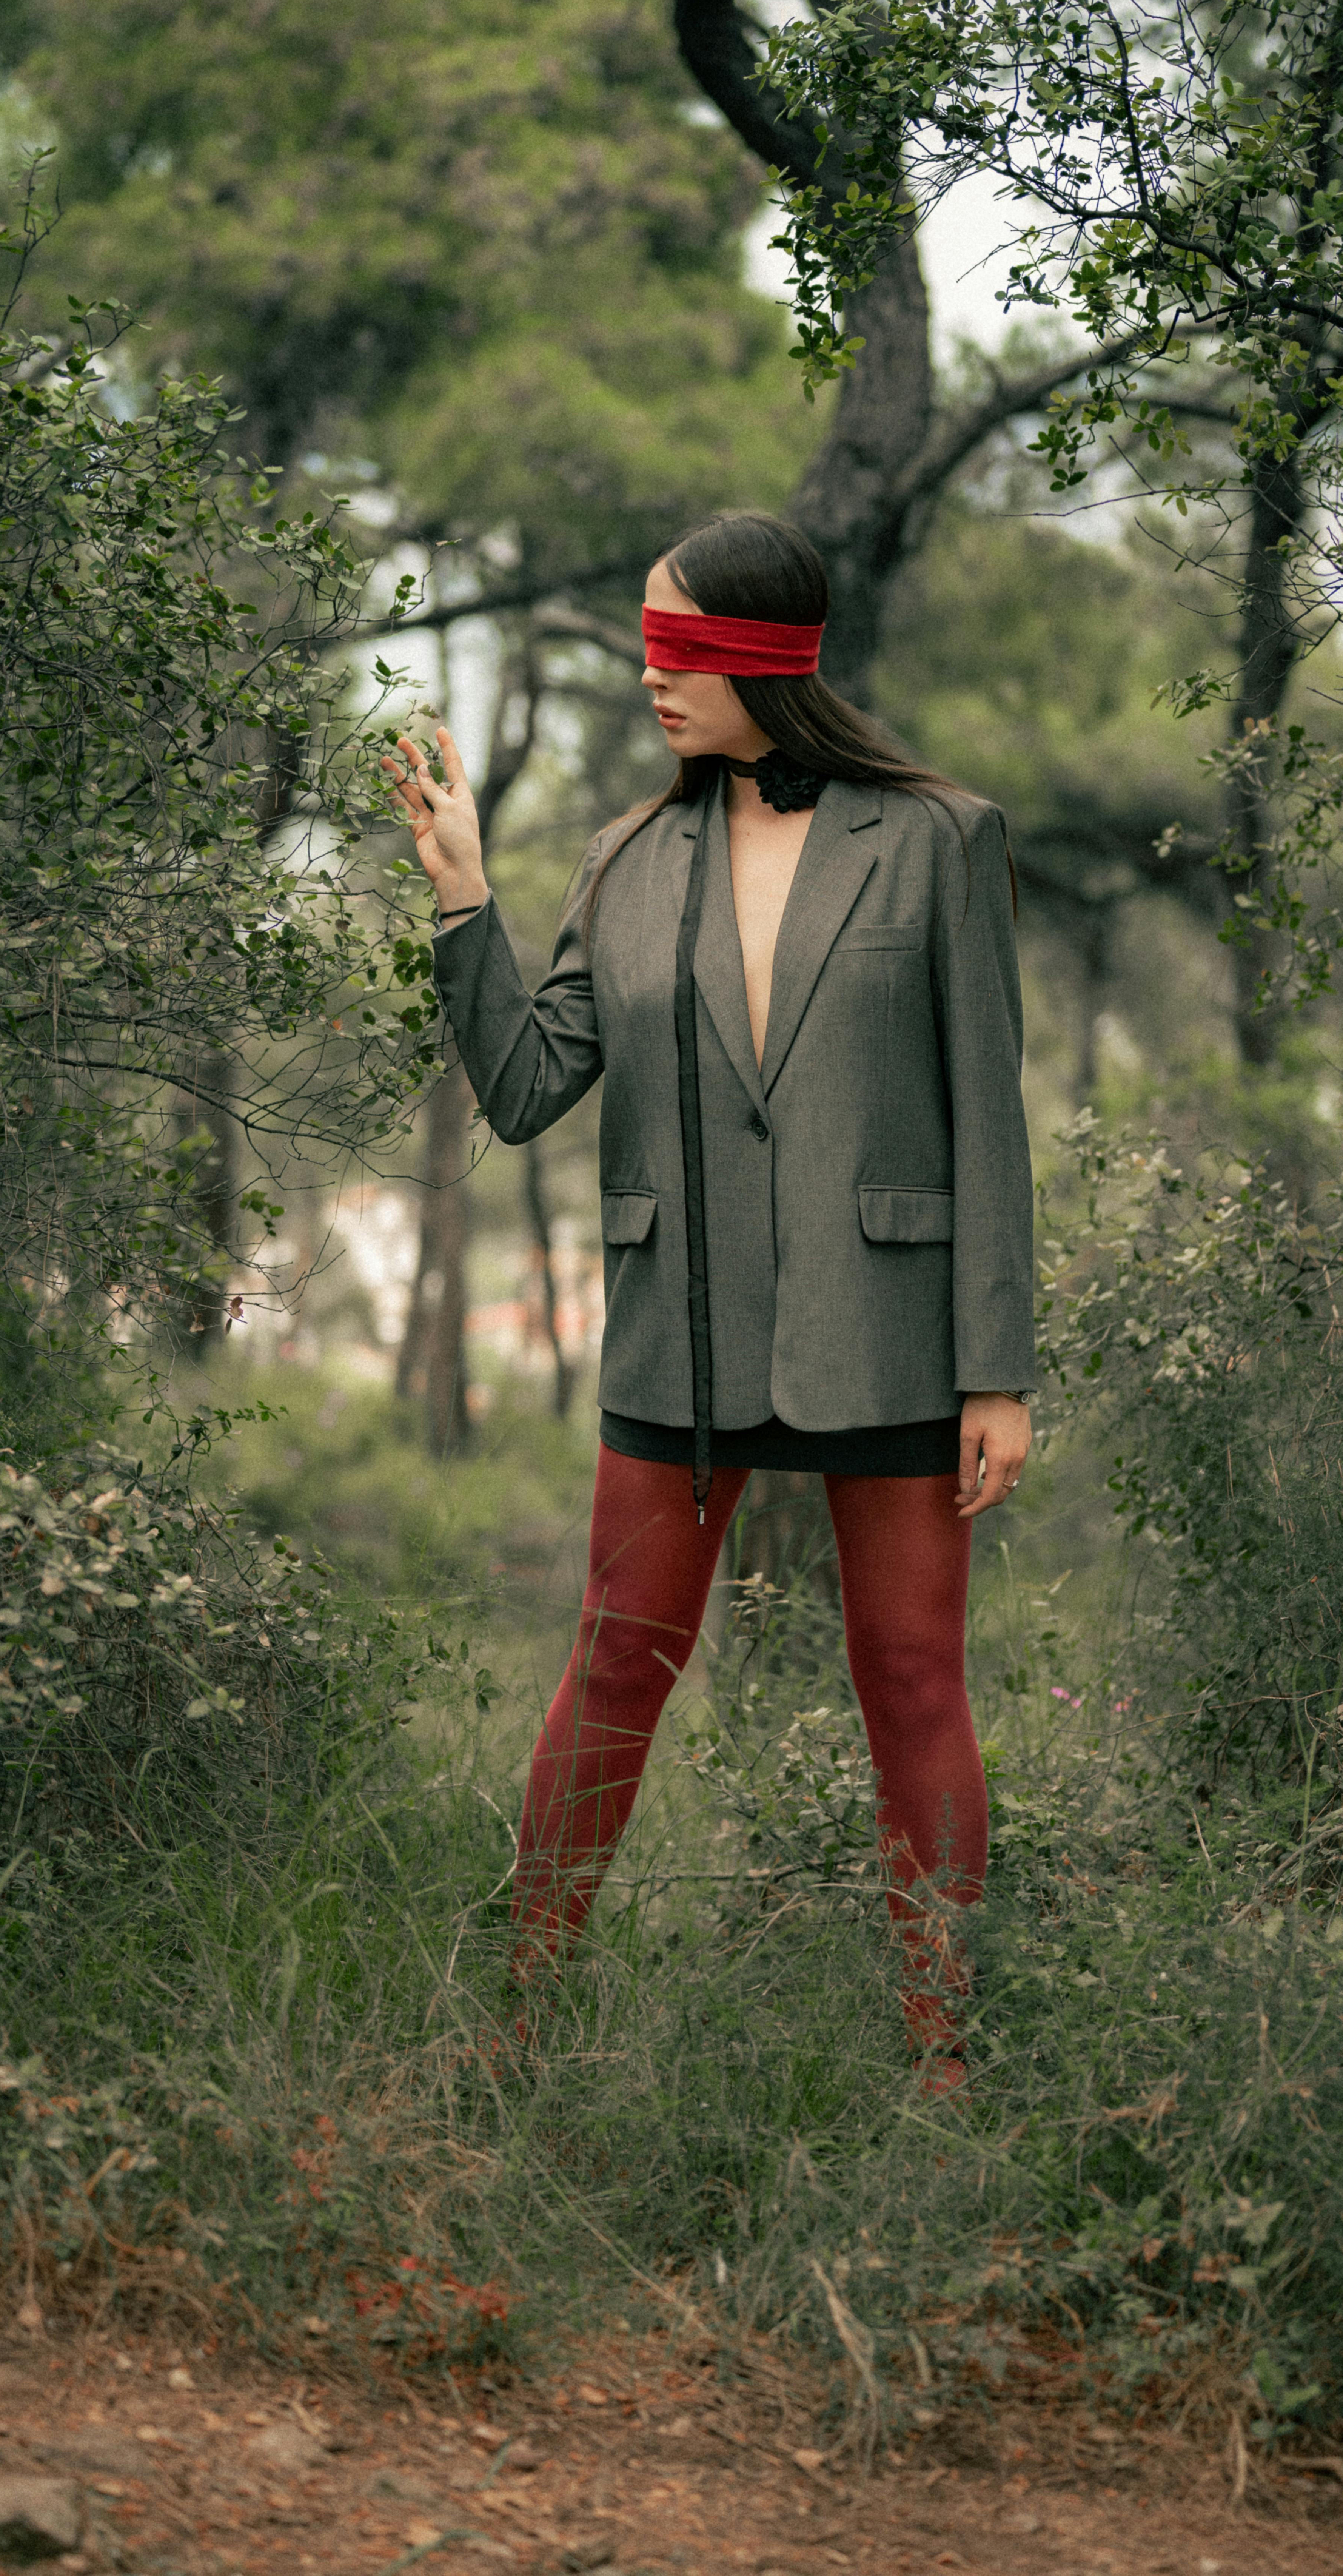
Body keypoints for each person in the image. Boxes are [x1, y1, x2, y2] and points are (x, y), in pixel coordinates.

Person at [386, 512, 1036, 2084]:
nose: (652, 674)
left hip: (888, 1327)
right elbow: (532, 1086)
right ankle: (519, 2019)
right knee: (614, 1663)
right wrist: (463, 899)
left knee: (906, 1675)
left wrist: (995, 1369)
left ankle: (944, 2052)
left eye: (680, 646)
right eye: (645, 640)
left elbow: (986, 1109)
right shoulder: (622, 859)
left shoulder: (939, 839)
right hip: (679, 1326)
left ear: (768, 654)